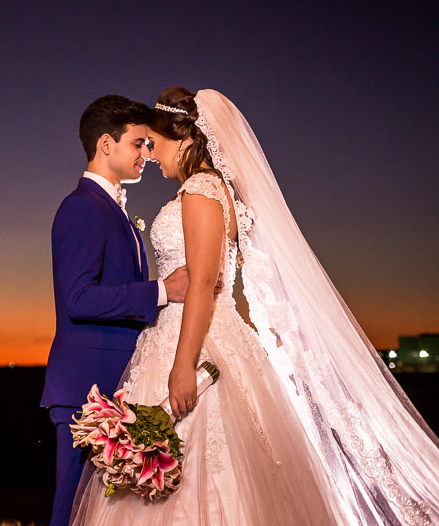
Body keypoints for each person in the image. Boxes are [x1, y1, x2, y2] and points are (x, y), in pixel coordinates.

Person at [70, 88, 439, 525]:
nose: (151, 155)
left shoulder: (200, 191)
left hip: (193, 341)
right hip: (201, 333)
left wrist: (184, 364)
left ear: (185, 140)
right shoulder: (217, 190)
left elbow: (205, 283)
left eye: (155, 142)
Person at [41, 95, 192, 526]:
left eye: (148, 145)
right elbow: (80, 298)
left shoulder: (114, 209)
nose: (147, 153)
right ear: (106, 145)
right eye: (138, 144)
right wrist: (162, 290)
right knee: (70, 514)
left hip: (112, 388)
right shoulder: (82, 207)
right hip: (85, 392)